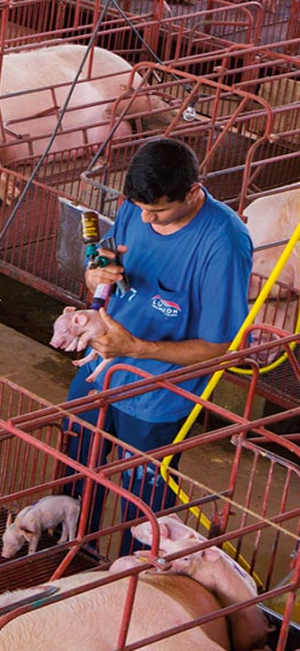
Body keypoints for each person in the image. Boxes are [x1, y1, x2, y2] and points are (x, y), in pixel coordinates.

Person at [63, 137, 252, 540]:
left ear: (193, 192)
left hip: (158, 393)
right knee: (74, 469)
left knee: (143, 511)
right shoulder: (138, 206)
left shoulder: (223, 243)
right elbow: (108, 259)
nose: (146, 220)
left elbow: (221, 348)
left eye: (159, 211)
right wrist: (95, 275)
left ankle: (137, 581)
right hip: (101, 366)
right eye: (141, 209)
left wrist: (135, 349)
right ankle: (70, 550)